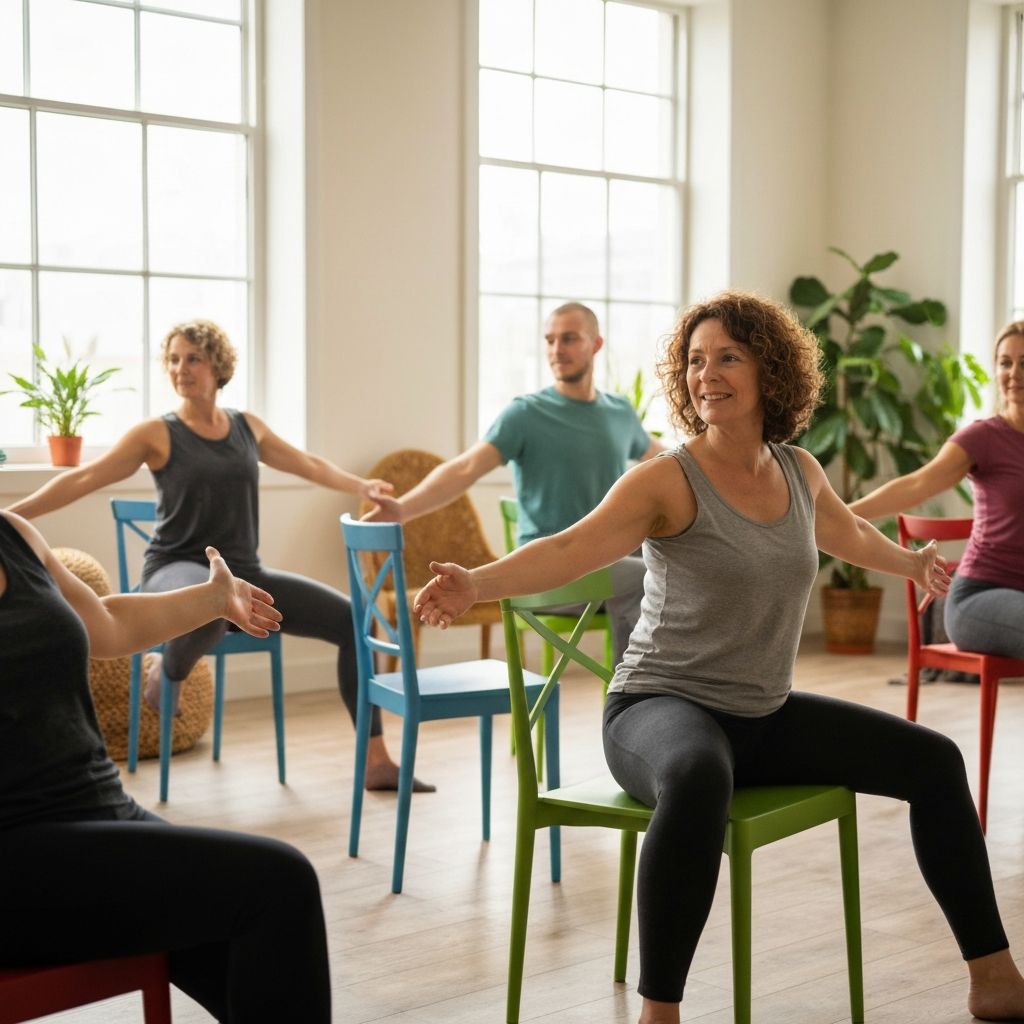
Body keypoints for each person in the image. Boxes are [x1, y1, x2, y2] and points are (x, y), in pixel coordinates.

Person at [412, 291, 1024, 1024]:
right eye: (696, 360)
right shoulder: (668, 478)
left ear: (772, 371)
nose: (708, 374)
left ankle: (993, 976)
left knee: (933, 761)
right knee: (700, 775)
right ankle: (659, 1011)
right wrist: (475, 582)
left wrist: (911, 564)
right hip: (657, 708)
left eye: (728, 357)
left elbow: (846, 537)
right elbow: (572, 546)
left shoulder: (799, 470)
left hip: (761, 714)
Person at [7, 319, 422, 792]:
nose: (181, 369)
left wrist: (361, 486)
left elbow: (306, 463)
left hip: (245, 574)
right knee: (210, 602)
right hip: (174, 568)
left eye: (193, 358)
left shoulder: (247, 428)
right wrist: (11, 519)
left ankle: (375, 761)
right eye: (173, 359)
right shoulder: (157, 434)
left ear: (218, 366)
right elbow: (85, 477)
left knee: (354, 621)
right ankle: (169, 669)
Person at [0, 509, 331, 1022]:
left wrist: (212, 599)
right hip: (16, 847)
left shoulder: (14, 535)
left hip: (96, 813)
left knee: (264, 970)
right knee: (279, 883)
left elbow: (109, 622)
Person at [365, 302, 661, 664]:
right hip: (547, 572)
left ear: (596, 344)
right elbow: (465, 468)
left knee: (671, 567)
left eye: (569, 339)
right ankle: (633, 700)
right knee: (647, 577)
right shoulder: (526, 414)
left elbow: (662, 458)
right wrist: (403, 509)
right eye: (550, 340)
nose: (556, 350)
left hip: (610, 562)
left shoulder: (619, 412)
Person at [850, 321, 1024, 659]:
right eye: (1005, 362)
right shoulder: (985, 437)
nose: (1014, 372)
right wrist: (836, 513)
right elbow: (918, 484)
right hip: (979, 598)